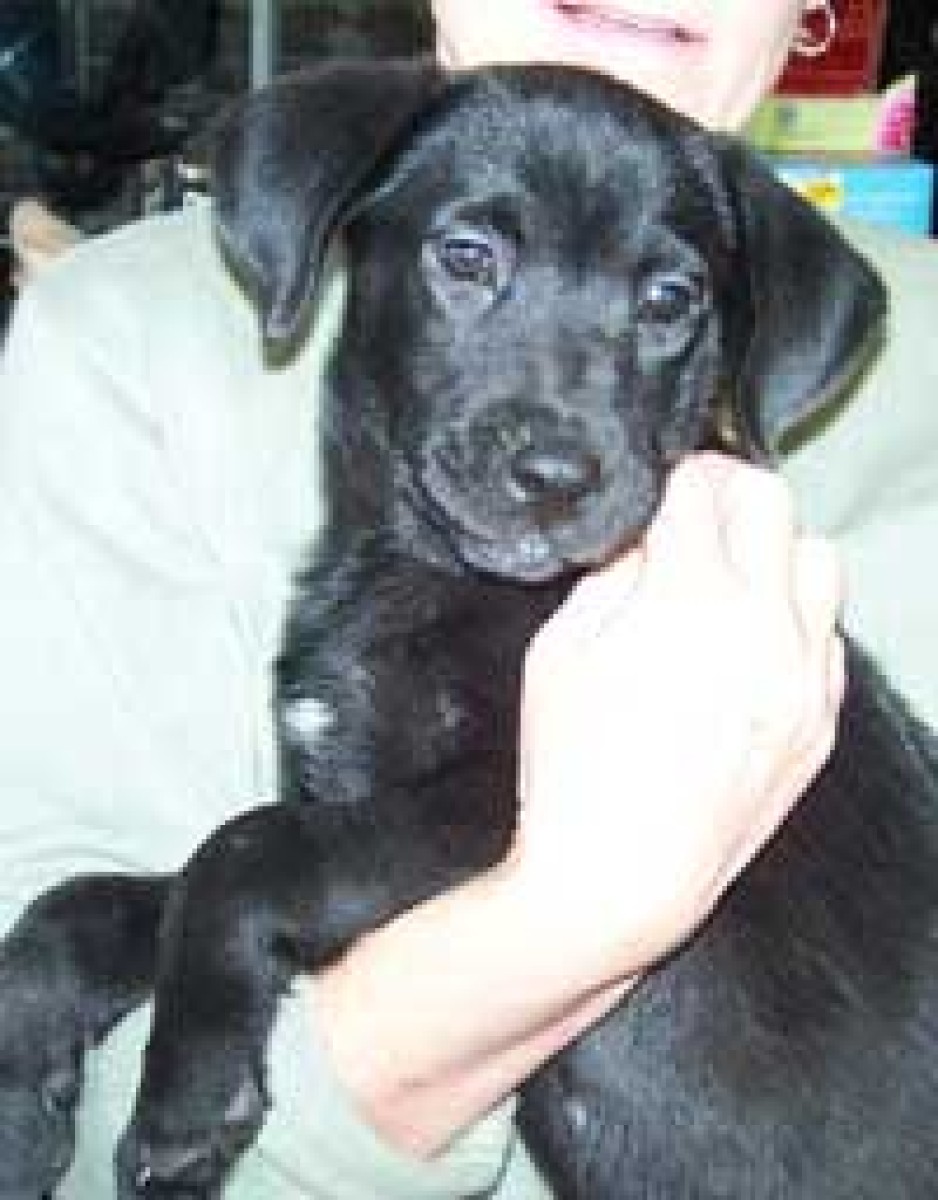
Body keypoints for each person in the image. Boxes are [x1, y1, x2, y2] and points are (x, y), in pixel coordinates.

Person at [0, 2, 934, 1197]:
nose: (558, 432)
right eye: (471, 261)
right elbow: (435, 859)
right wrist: (100, 938)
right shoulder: (120, 358)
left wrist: (257, 884)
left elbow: (435, 834)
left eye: (660, 306)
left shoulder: (668, 582)